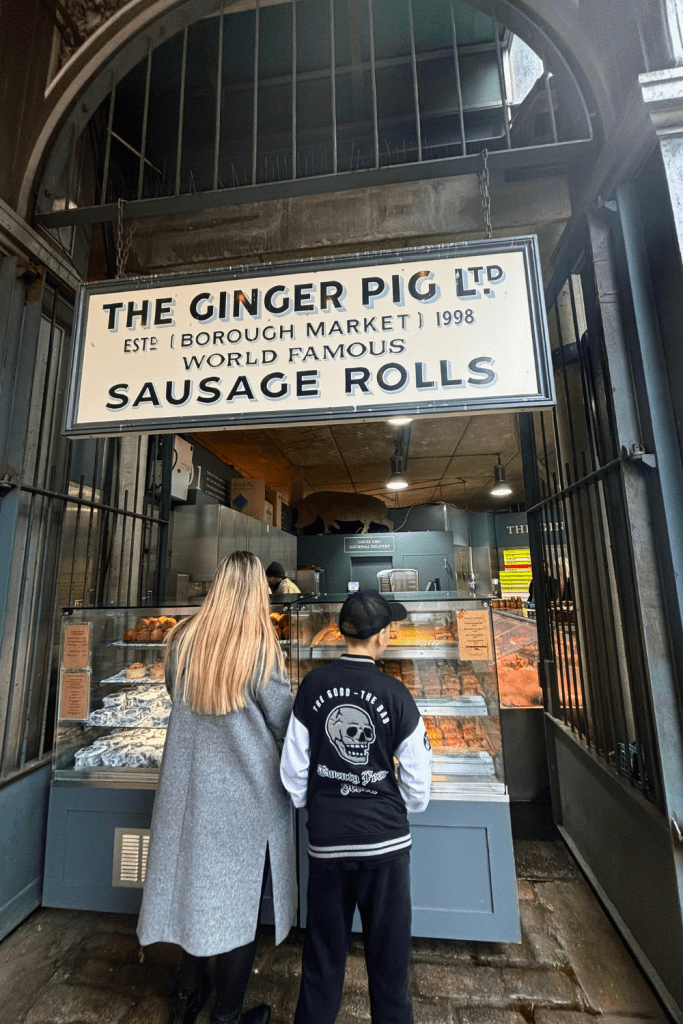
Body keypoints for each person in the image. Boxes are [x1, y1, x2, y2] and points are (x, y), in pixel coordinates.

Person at [137, 551, 297, 1024]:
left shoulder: (183, 640)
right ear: (255, 592)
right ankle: (227, 1014)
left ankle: (186, 995)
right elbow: (283, 720)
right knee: (237, 904)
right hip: (244, 796)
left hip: (189, 792)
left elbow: (173, 692)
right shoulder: (261, 649)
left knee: (197, 890)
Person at [280, 589, 432, 1024]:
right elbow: (419, 785)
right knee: (389, 968)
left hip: (327, 846)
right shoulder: (396, 693)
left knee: (323, 960)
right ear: (382, 636)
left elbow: (292, 771)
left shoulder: (311, 686)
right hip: (385, 847)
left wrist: (320, 804)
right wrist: (391, 803)